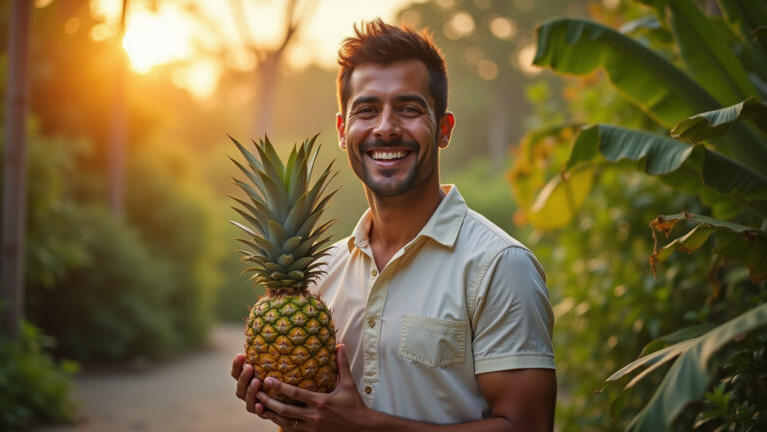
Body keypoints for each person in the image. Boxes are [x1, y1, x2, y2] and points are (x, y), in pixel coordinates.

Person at [231, 18, 556, 431]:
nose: (385, 127)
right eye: (366, 110)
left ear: (443, 129)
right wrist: (286, 406)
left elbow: (527, 427)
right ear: (343, 131)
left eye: (408, 108)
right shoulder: (320, 275)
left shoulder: (500, 267)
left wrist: (365, 427)